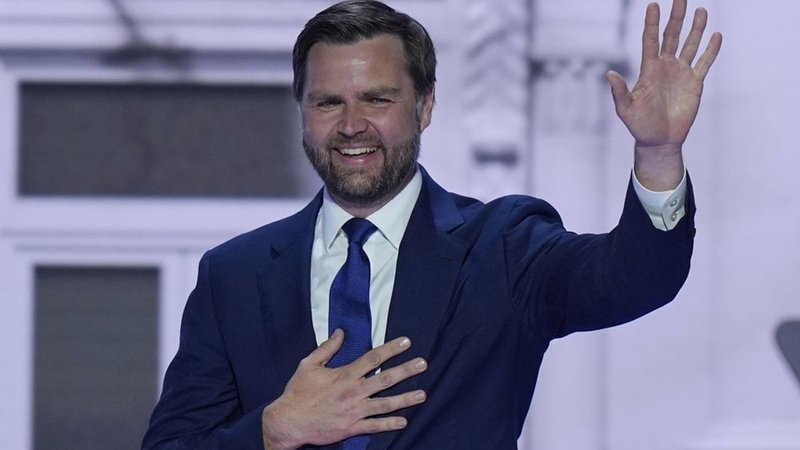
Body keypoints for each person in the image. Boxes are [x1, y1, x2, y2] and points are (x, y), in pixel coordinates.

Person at [142, 0, 721, 448]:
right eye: (327, 103)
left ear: (424, 106)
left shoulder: (503, 247)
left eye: (377, 99)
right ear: (302, 110)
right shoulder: (233, 276)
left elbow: (637, 276)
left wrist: (659, 154)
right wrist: (274, 430)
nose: (351, 125)